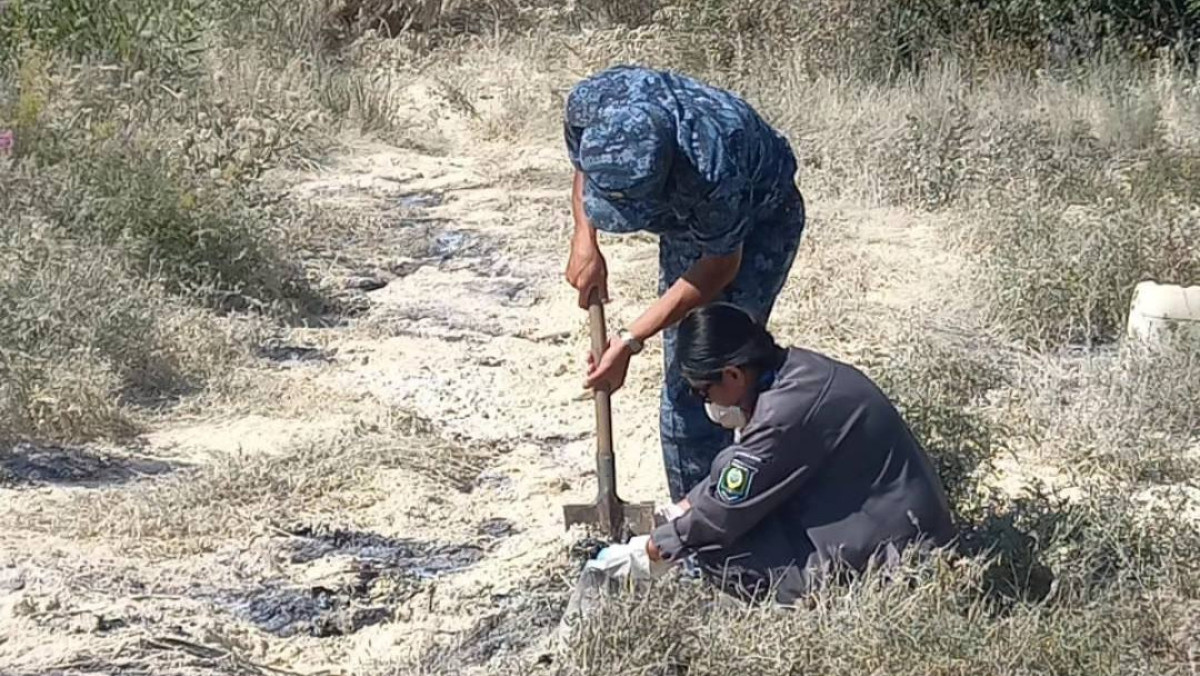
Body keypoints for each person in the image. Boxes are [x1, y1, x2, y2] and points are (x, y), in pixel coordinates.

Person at [583, 303, 957, 605]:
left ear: (732, 375)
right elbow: (739, 475)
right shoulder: (796, 370)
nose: (704, 402)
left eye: (703, 391)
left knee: (715, 552)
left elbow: (721, 517)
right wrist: (682, 508)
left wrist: (652, 550)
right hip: (894, 524)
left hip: (896, 561)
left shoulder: (781, 417)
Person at [563, 65, 807, 503]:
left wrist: (629, 341)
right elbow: (581, 161)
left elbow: (719, 265)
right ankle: (692, 517)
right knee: (688, 384)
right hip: (691, 222)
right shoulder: (590, 101)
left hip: (762, 218)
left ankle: (753, 495)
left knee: (722, 369)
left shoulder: (714, 163)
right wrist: (585, 238)